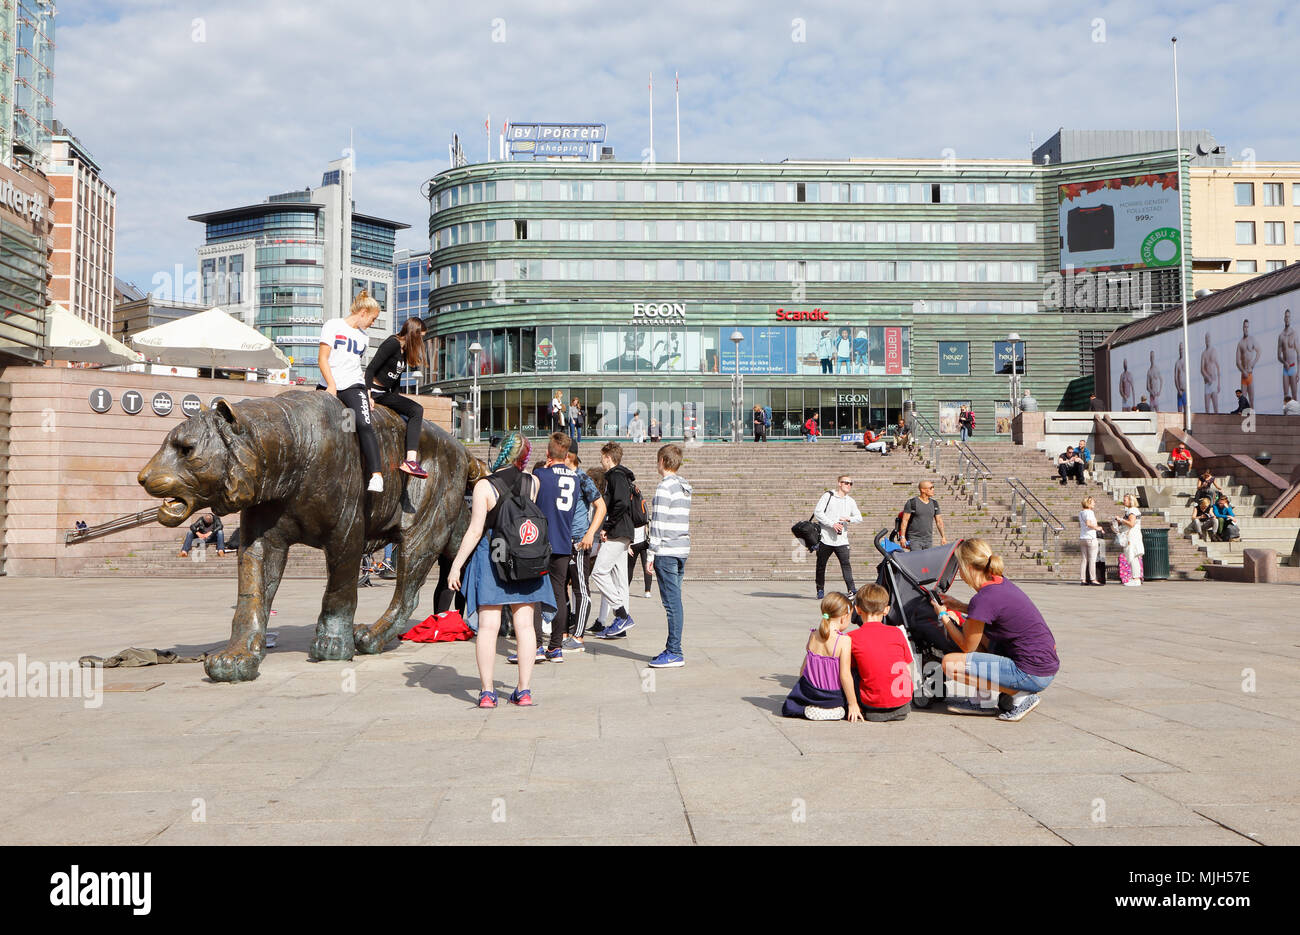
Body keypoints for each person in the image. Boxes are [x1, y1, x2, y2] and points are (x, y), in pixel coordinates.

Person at [447, 432, 555, 708]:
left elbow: (474, 531)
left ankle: (487, 692)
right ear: (524, 456)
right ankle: (524, 690)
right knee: (525, 626)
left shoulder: (484, 486)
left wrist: (456, 566)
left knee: (488, 627)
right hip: (524, 557)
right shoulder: (534, 482)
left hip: (492, 555)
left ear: (502, 452)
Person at [932, 539, 1060, 722]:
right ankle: (980, 701)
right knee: (982, 635)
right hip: (1044, 665)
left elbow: (966, 646)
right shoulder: (999, 583)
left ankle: (1021, 696)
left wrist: (943, 617)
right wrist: (959, 606)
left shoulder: (984, 598)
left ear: (968, 567)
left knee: (950, 663)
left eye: (959, 567)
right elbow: (991, 612)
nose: (958, 572)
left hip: (1032, 673)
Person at [318, 289, 384, 493]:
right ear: (363, 312)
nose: (373, 323)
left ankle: (376, 475)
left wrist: (367, 394)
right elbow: (323, 358)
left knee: (362, 424)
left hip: (353, 386)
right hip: (330, 385)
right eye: (373, 319)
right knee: (330, 428)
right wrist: (331, 385)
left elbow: (356, 367)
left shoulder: (363, 338)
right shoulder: (333, 325)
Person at [523, 433, 579, 664]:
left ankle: (536, 645)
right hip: (564, 542)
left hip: (541, 542)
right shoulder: (575, 478)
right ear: (566, 455)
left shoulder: (540, 474)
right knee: (559, 594)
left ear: (548, 453)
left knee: (535, 593)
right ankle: (556, 647)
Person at [645, 443, 693, 668]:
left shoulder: (665, 487)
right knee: (675, 601)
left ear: (663, 461)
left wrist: (650, 553)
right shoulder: (684, 486)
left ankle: (675, 650)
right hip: (681, 548)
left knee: (671, 603)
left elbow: (658, 522)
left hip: (667, 550)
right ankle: (672, 647)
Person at [780, 592, 861, 721]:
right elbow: (844, 675)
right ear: (844, 617)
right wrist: (853, 704)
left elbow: (805, 666)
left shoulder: (813, 635)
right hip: (833, 696)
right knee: (855, 674)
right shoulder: (843, 640)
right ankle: (834, 710)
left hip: (810, 693)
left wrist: (801, 687)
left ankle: (812, 707)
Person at [364, 317, 429, 478]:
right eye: (420, 337)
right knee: (417, 410)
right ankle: (411, 461)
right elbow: (370, 369)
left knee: (413, 411)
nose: (421, 341)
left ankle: (410, 460)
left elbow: (396, 381)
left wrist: (397, 403)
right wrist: (368, 395)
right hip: (374, 392)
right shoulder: (392, 343)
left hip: (386, 394)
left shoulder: (405, 351)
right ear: (413, 334)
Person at [591, 442, 637, 639]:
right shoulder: (623, 476)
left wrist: (607, 526)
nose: (601, 461)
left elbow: (621, 503)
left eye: (602, 457)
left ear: (608, 457)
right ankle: (621, 627)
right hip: (624, 532)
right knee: (620, 581)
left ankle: (621, 614)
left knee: (599, 572)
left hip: (617, 532)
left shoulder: (615, 475)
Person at [848, 584, 913, 721]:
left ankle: (858, 703)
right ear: (886, 610)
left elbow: (849, 671)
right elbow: (907, 667)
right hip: (902, 702)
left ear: (857, 610)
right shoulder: (897, 632)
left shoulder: (852, 637)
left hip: (872, 704)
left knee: (848, 669)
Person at [561, 450, 605, 652]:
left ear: (570, 456)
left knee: (580, 588)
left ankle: (578, 636)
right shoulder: (559, 476)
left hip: (579, 541)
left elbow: (601, 506)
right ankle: (563, 632)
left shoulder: (582, 478)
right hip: (561, 541)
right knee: (561, 589)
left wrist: (590, 533)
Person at [813, 475, 862, 600]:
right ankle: (820, 588)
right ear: (839, 483)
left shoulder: (850, 501)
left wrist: (848, 518)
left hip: (842, 540)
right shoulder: (828, 496)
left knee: (846, 564)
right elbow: (818, 512)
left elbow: (859, 517)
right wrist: (832, 524)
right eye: (846, 483)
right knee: (821, 564)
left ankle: (851, 589)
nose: (849, 485)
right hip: (825, 538)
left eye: (851, 483)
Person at [899, 481, 946, 552]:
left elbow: (939, 521)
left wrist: (943, 537)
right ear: (923, 490)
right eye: (931, 488)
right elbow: (905, 520)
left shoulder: (934, 504)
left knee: (927, 561)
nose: (933, 489)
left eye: (933, 487)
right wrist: (902, 537)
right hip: (914, 539)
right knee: (917, 560)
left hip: (928, 540)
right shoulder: (912, 503)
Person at [1115, 493, 1144, 587]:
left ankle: (1136, 579)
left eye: (1125, 500)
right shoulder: (1131, 510)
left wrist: (1121, 520)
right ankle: (1135, 578)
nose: (1124, 501)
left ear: (1130, 501)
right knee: (1132, 556)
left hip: (1132, 536)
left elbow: (1131, 523)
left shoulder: (1132, 510)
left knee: (1132, 556)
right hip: (1133, 535)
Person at [1078, 496, 1103, 586]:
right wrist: (1097, 528)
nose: (1094, 503)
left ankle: (1083, 579)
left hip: (1083, 537)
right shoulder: (1090, 512)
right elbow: (1088, 524)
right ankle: (1093, 579)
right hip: (1091, 538)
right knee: (1092, 559)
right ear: (1088, 503)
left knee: (1084, 559)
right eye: (1093, 502)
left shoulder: (1081, 513)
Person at [1236, 318, 1262, 396]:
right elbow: (1237, 362)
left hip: (1250, 374)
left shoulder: (1252, 339)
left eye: (1247, 327)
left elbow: (1259, 351)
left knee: (1251, 401)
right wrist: (1243, 371)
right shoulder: (1240, 343)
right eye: (1245, 327)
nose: (1246, 329)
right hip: (1244, 375)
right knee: (1243, 401)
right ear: (1242, 328)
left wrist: (1254, 363)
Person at [1280, 309, 1299, 401]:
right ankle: (1286, 415)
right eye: (1286, 317)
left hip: (1293, 368)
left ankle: (1297, 415)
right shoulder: (1281, 336)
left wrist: (1299, 372)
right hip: (1285, 369)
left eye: (1288, 317)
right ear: (1284, 318)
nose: (1287, 319)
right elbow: (1278, 355)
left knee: (1295, 395)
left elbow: (1299, 354)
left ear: (1290, 319)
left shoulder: (1294, 334)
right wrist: (1284, 362)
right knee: (1286, 396)